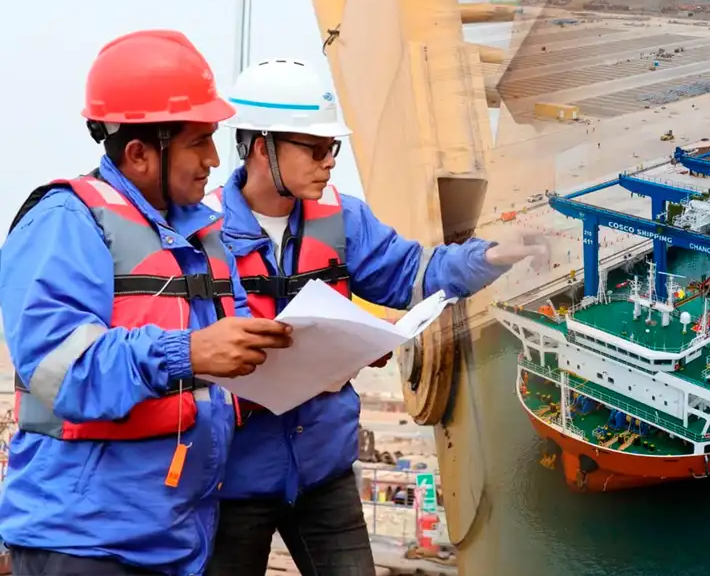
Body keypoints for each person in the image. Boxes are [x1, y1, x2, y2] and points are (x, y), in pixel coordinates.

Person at [204, 58, 546, 576]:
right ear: (261, 147)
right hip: (233, 480)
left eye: (333, 148)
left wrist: (491, 256)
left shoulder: (343, 217)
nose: (329, 162)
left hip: (323, 472)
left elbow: (414, 273)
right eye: (316, 149)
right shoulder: (199, 234)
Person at [0, 30, 294, 576]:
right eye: (198, 140)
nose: (213, 158)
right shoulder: (65, 223)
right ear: (138, 153)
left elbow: (219, 361)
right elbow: (59, 371)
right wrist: (188, 354)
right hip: (85, 545)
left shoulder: (203, 234)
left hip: (176, 539)